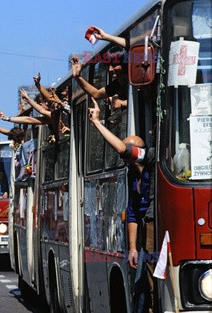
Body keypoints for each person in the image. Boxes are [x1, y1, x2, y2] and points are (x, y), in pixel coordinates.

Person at [88, 98, 155, 313]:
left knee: (150, 285)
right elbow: (133, 213)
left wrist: (98, 123)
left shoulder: (151, 160)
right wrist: (133, 248)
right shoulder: (130, 174)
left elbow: (121, 149)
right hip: (143, 236)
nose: (125, 154)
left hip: (155, 230)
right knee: (140, 287)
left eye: (129, 149)